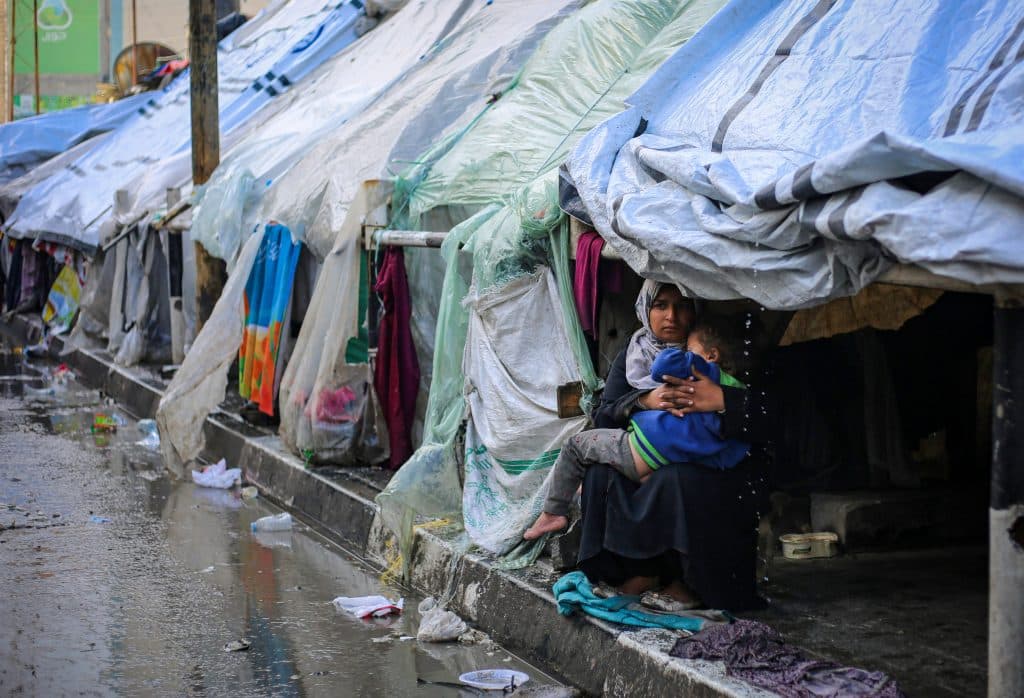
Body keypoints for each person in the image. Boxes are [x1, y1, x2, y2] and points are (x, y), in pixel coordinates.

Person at [564, 280, 766, 610]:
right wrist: (645, 399)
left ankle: (688, 583)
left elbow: (763, 414)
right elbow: (604, 415)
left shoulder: (713, 348)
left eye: (682, 305)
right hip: (644, 454)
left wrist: (720, 399)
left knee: (675, 479)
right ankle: (635, 573)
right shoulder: (634, 355)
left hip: (702, 463)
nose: (671, 315)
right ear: (646, 309)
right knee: (601, 473)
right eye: (660, 306)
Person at [524, 320, 749, 541]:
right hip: (665, 463)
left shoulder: (702, 370)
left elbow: (662, 367)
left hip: (636, 448)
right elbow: (732, 452)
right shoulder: (735, 393)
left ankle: (553, 512)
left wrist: (681, 356)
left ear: (711, 356)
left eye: (690, 349)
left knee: (575, 446)